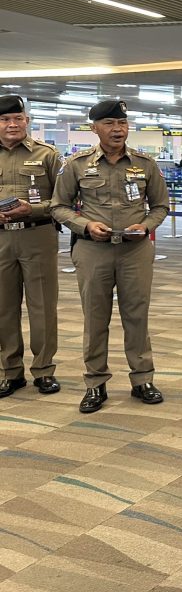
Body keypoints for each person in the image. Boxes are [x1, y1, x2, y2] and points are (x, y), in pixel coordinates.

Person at [51, 100, 170, 414]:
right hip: (93, 250)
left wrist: (145, 226)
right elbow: (58, 206)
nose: (117, 130)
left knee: (137, 316)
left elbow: (161, 206)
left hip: (135, 251)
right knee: (95, 318)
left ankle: (142, 379)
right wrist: (85, 225)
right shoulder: (76, 164)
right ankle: (95, 382)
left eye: (122, 123)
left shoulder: (145, 163)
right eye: (109, 124)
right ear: (94, 128)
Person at [0, 95, 62, 398]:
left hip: (38, 235)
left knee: (42, 306)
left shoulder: (48, 155)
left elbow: (64, 201)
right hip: (1, 239)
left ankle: (44, 370)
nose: (12, 124)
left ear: (27, 121)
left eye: (17, 118)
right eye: (4, 119)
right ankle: (11, 372)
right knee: (3, 307)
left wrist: (33, 209)